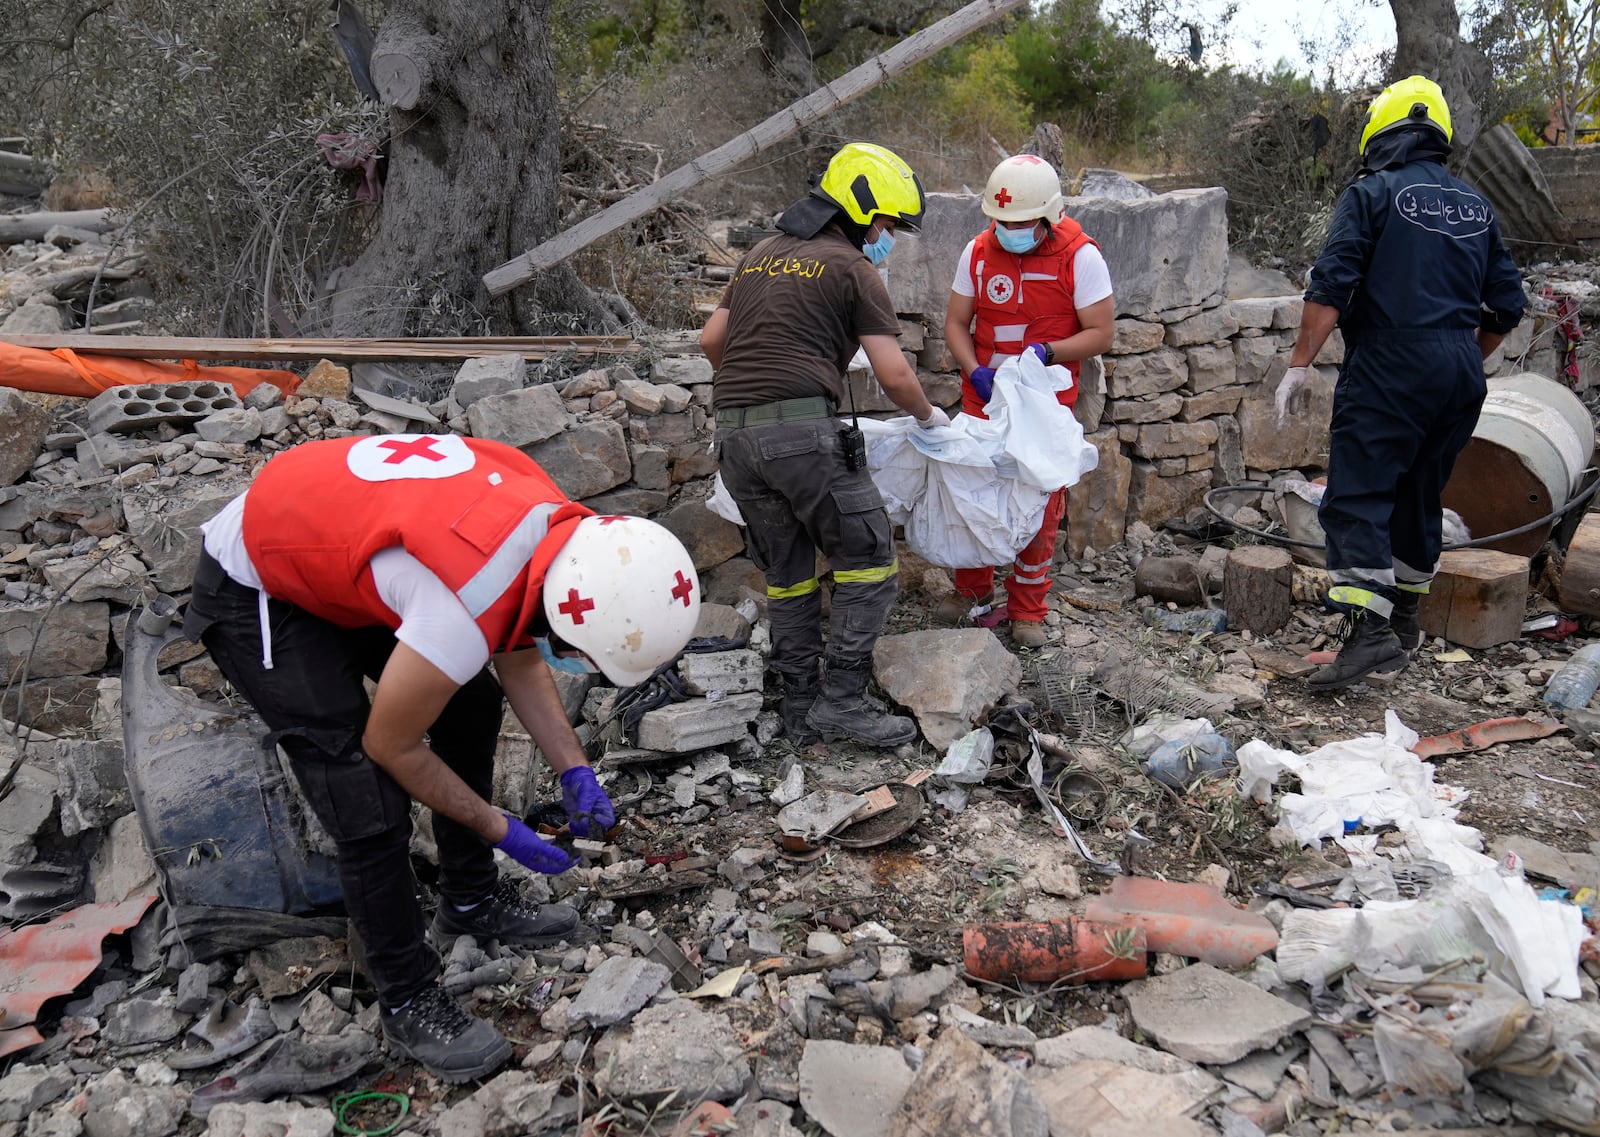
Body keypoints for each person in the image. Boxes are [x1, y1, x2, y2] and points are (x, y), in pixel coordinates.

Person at [183, 433, 701, 1082]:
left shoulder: (561, 533)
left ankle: (471, 897)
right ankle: (407, 997)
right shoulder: (461, 602)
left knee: (472, 702)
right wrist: (500, 826)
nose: (582, 665)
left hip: (357, 544)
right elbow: (391, 743)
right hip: (258, 579)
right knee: (363, 794)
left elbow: (514, 632)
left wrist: (575, 767)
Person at [1278, 75, 1526, 691]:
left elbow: (1330, 287)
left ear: (1380, 133)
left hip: (1390, 364)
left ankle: (1370, 635)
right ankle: (1405, 619)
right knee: (1419, 495)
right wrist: (1461, 359)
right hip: (1460, 371)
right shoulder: (1476, 206)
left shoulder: (1371, 194)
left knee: (1357, 495)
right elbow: (1505, 308)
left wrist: (1297, 364)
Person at [699, 142, 949, 748]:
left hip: (734, 438)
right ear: (863, 212)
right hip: (805, 438)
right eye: (889, 224)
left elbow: (711, 340)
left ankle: (799, 706)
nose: (888, 236)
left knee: (786, 574)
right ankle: (841, 703)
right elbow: (893, 374)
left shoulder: (760, 256)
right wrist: (930, 417)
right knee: (868, 564)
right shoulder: (851, 268)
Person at [938, 154, 1115, 647]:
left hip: (1045, 408)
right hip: (984, 398)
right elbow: (956, 323)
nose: (1008, 230)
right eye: (1001, 222)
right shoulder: (976, 252)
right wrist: (975, 372)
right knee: (973, 491)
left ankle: (1028, 609)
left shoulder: (1081, 256)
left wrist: (1049, 350)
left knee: (1040, 501)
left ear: (1049, 215)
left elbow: (1101, 333)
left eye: (1020, 223)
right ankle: (970, 593)